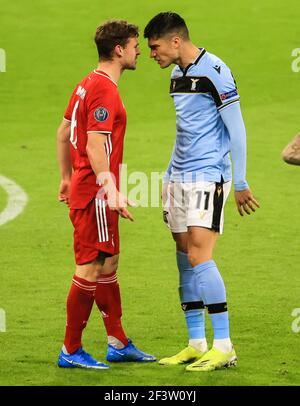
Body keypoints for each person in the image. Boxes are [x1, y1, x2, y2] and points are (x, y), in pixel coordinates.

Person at [144, 12, 259, 372]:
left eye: (155, 47)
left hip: (208, 177)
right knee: (183, 257)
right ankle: (196, 342)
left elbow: (236, 129)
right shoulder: (177, 75)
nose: (152, 54)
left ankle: (224, 346)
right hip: (178, 177)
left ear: (175, 41)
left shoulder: (215, 71)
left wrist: (239, 182)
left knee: (199, 255)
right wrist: (168, 175)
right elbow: (186, 130)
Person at [56, 20, 156, 369]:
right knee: (90, 266)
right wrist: (109, 186)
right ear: (119, 50)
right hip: (96, 191)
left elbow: (63, 131)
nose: (139, 50)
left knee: (108, 261)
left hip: (88, 186)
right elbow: (95, 142)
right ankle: (71, 349)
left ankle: (117, 341)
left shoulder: (87, 83)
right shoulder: (105, 90)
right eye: (134, 45)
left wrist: (65, 177)